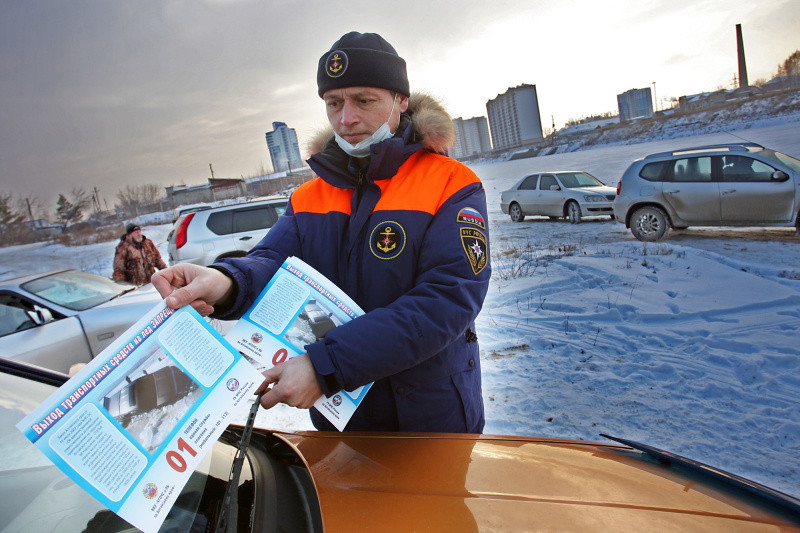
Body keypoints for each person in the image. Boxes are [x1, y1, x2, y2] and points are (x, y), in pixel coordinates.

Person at [152, 31, 491, 433]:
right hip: (343, 421)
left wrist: (325, 365)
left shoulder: (452, 183)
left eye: (363, 101)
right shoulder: (310, 195)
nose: (346, 119)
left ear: (401, 100)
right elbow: (271, 263)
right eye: (334, 103)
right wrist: (225, 281)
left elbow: (447, 300)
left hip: (431, 416)